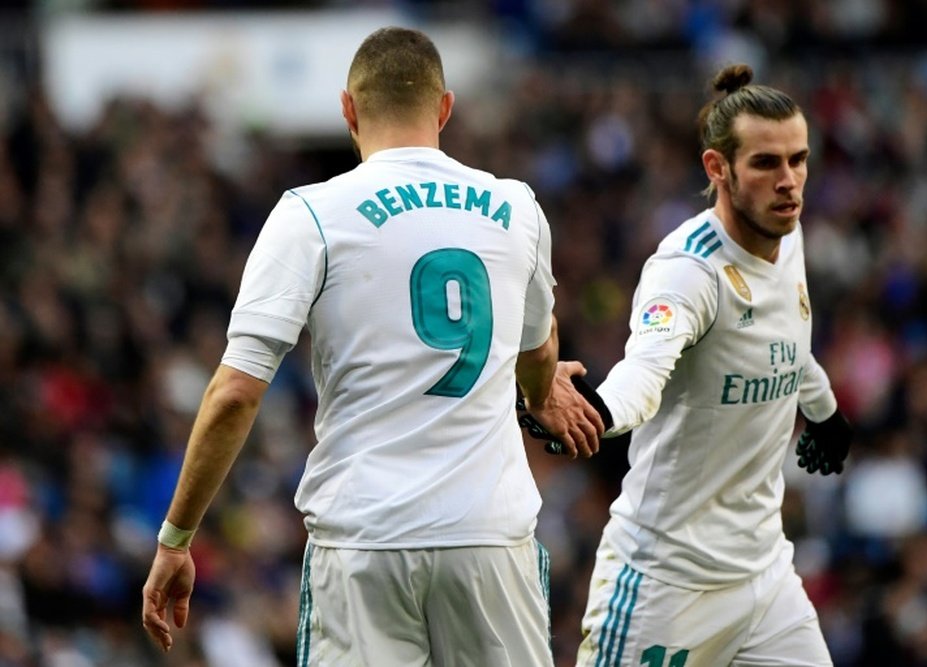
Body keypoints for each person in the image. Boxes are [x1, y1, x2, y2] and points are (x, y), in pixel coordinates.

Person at [140, 26, 604, 667]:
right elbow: (538, 348)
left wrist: (176, 538)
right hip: (489, 539)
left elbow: (236, 392)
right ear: (445, 108)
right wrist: (536, 393)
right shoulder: (516, 206)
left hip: (365, 540)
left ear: (348, 110)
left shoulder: (310, 214)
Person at [571, 64, 853, 666]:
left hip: (764, 575)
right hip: (666, 582)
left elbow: (786, 337)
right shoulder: (687, 270)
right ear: (717, 168)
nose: (789, 182)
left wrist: (824, 412)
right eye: (766, 164)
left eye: (798, 160)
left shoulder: (789, 235)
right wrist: (594, 409)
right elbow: (643, 373)